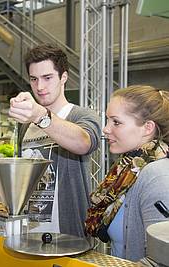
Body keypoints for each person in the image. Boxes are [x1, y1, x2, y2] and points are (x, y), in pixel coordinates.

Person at [9, 43, 101, 237]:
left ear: (63, 77)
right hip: (30, 232)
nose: (40, 87)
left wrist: (40, 115)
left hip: (69, 234)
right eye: (34, 79)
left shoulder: (81, 115)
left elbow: (83, 142)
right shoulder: (26, 125)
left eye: (47, 78)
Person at [85, 85, 169, 261]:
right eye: (108, 121)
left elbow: (162, 258)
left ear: (147, 128)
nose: (106, 129)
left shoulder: (157, 176)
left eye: (116, 122)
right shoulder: (127, 170)